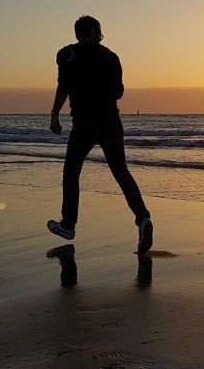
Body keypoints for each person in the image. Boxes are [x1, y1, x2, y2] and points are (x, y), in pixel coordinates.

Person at [47, 15, 153, 255]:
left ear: (77, 33)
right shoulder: (110, 57)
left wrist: (54, 115)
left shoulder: (67, 55)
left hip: (83, 124)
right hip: (110, 122)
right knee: (121, 172)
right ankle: (143, 218)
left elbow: (63, 86)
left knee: (71, 173)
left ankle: (68, 225)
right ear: (95, 31)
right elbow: (118, 93)